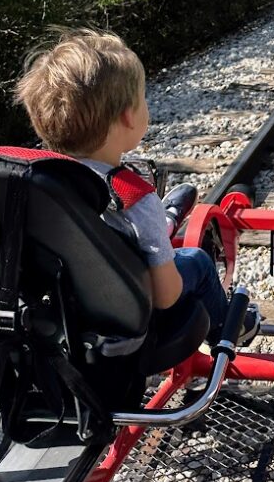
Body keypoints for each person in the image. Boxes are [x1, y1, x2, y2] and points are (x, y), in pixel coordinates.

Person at [15, 28, 258, 347]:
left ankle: (166, 222)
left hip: (56, 310)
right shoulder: (135, 199)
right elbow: (166, 296)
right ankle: (227, 329)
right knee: (196, 259)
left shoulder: (34, 181)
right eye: (142, 98)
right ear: (129, 117)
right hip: (125, 313)